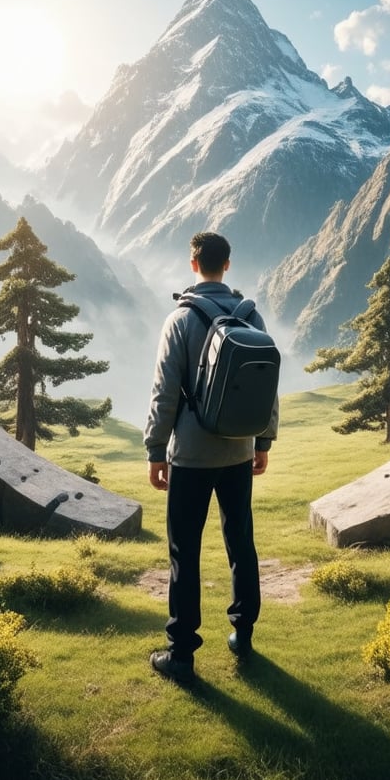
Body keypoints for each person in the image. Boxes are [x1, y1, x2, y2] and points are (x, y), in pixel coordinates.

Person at [144, 231, 279, 684]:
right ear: (228, 264)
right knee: (241, 543)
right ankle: (243, 633)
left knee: (186, 551)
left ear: (193, 263)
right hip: (239, 452)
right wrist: (263, 443)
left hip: (191, 456)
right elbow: (268, 383)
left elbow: (164, 394)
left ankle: (181, 653)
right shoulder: (250, 314)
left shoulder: (180, 320)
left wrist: (155, 450)